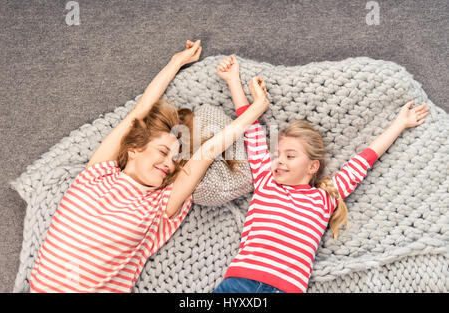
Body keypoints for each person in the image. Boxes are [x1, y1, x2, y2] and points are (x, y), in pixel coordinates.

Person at [28, 42, 270, 293]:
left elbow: (207, 153)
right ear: (134, 149)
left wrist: (257, 108)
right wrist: (176, 62)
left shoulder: (160, 206)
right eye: (164, 152)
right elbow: (139, 112)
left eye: (175, 161)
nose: (169, 163)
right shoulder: (97, 173)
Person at [213, 55, 430, 293]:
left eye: (291, 156)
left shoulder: (324, 198)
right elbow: (251, 129)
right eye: (278, 155)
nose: (280, 161)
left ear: (312, 167)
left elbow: (364, 159)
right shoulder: (266, 181)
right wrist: (233, 80)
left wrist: (400, 123)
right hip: (240, 282)